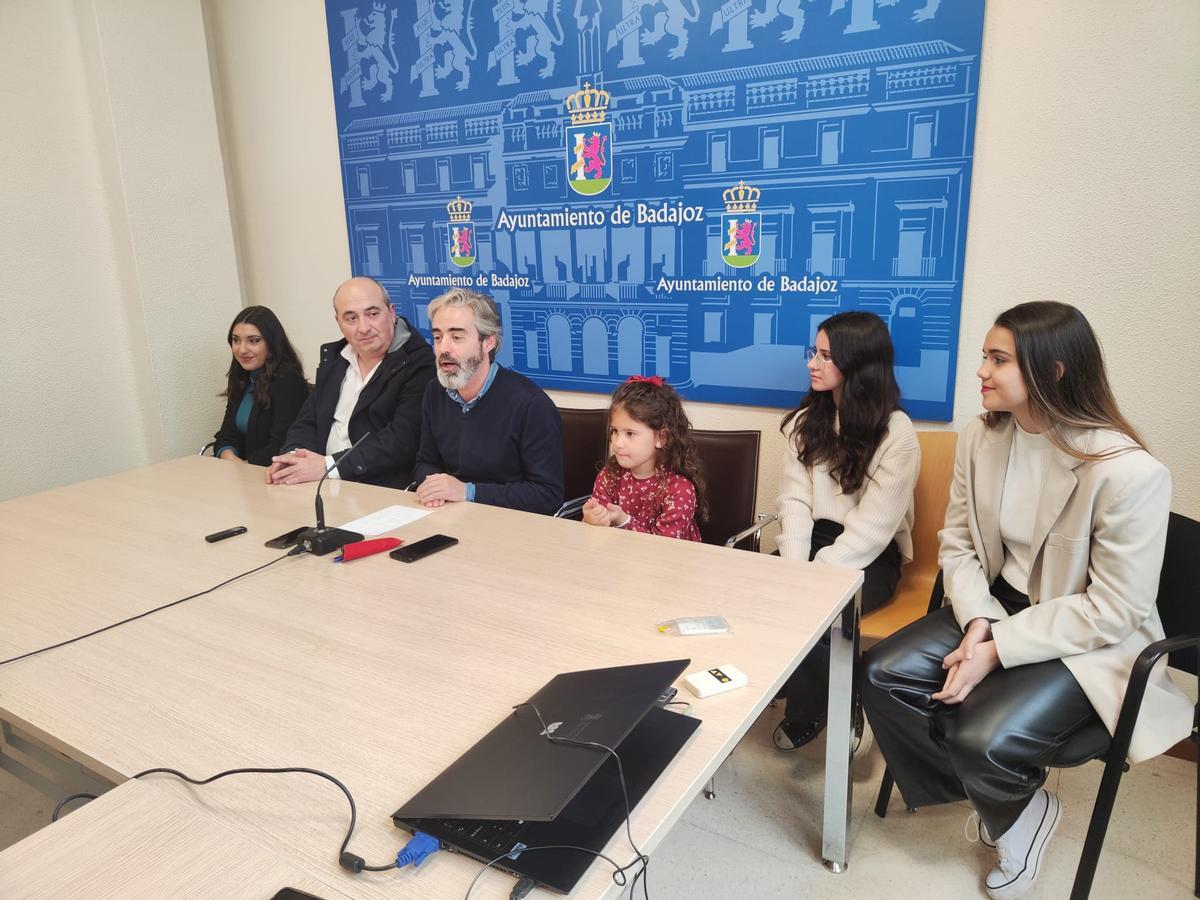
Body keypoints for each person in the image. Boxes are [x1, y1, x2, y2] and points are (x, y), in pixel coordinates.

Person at [862, 302, 1191, 900]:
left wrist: (999, 649)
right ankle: (1012, 802)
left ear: (1053, 371)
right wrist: (982, 623)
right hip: (993, 603)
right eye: (984, 356)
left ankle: (1006, 807)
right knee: (881, 674)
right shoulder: (981, 438)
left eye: (997, 359)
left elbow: (1113, 610)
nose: (980, 371)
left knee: (980, 736)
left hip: (1088, 635)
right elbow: (958, 545)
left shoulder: (1128, 473)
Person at [773, 311, 921, 750]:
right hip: (813, 541)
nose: (812, 364)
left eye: (825, 356)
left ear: (858, 366)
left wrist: (816, 576)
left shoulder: (898, 433)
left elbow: (873, 531)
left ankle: (835, 707)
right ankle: (812, 697)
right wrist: (796, 568)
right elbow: (794, 504)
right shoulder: (805, 423)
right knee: (760, 593)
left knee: (823, 616)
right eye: (813, 353)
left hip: (872, 555)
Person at [266, 277, 434, 489]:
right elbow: (308, 421)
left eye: (372, 314)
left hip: (379, 489)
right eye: (351, 318)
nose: (363, 328)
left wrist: (327, 466)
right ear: (338, 322)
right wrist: (292, 460)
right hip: (319, 484)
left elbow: (402, 440)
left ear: (391, 313)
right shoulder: (335, 359)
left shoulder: (420, 364)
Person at [413, 287, 563, 514]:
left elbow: (547, 494)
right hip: (449, 515)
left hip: (510, 527)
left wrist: (467, 492)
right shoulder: (435, 391)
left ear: (488, 343)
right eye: (437, 337)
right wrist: (436, 488)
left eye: (456, 337)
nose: (444, 348)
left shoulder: (531, 404)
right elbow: (425, 462)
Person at [582, 375, 705, 541]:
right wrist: (591, 521)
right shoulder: (608, 476)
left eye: (630, 434)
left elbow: (661, 547)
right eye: (615, 431)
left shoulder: (679, 489)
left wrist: (623, 521)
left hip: (673, 563)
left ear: (661, 438)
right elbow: (598, 539)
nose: (618, 443)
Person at [212, 306, 309, 467]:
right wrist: (232, 460)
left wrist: (244, 468)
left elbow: (282, 445)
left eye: (253, 341)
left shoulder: (289, 382)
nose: (242, 349)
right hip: (241, 471)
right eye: (236, 340)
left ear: (271, 344)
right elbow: (227, 435)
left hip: (273, 475)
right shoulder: (244, 377)